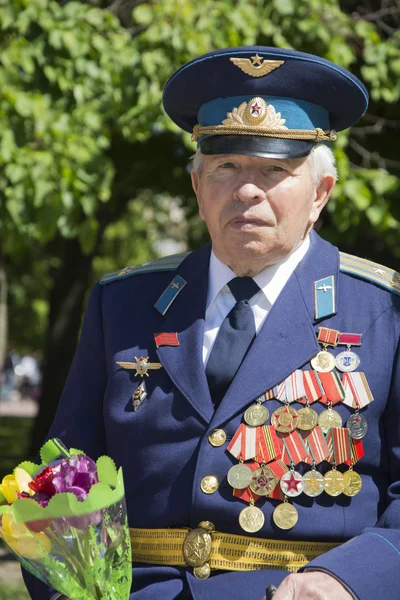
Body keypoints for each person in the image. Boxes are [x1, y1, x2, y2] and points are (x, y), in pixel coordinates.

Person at [23, 46, 400, 600]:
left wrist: (345, 580)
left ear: (320, 194)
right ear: (198, 190)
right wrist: (68, 590)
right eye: (226, 167)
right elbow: (63, 477)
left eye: (275, 170)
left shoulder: (382, 312)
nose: (247, 190)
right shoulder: (124, 303)